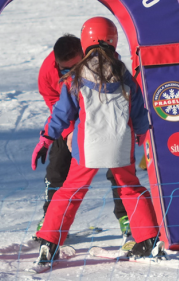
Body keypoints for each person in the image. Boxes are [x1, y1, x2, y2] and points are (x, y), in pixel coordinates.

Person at [33, 17, 162, 266]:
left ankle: (49, 243)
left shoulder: (77, 74)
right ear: (113, 40)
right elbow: (139, 112)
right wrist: (143, 136)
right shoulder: (124, 73)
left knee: (70, 191)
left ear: (86, 41)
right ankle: (148, 240)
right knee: (130, 188)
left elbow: (62, 113)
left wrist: (47, 139)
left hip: (87, 145)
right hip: (119, 143)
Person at [34, 34, 132, 245]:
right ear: (56, 63)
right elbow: (55, 104)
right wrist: (69, 131)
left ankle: (127, 218)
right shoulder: (47, 72)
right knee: (58, 167)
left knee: (118, 166)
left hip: (101, 119)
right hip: (70, 120)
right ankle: (50, 219)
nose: (70, 72)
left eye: (75, 66)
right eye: (64, 70)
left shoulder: (103, 61)